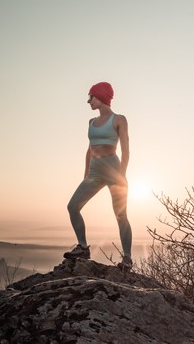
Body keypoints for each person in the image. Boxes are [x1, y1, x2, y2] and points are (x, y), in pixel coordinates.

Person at [64, 81, 133, 270]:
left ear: (101, 97)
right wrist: (85, 175)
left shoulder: (119, 119)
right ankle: (83, 248)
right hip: (94, 172)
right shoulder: (91, 123)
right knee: (72, 206)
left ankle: (127, 258)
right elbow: (89, 150)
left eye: (91, 97)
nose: (89, 101)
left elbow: (126, 151)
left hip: (114, 171)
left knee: (121, 215)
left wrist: (122, 175)